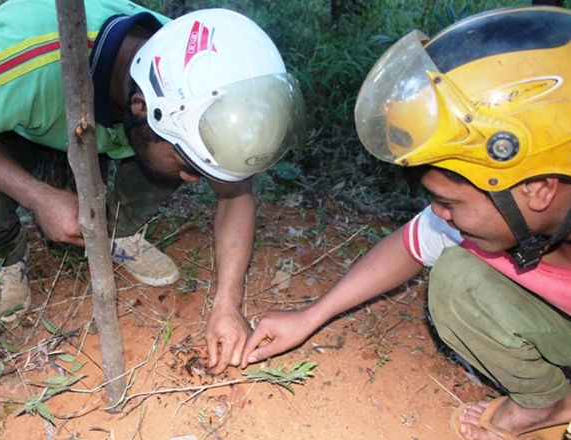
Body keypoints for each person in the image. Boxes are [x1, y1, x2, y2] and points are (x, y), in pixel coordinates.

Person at [0, 0, 305, 375]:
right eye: (191, 166)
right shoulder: (27, 61)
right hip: (13, 125)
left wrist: (227, 304)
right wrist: (39, 197)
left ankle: (122, 228)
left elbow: (235, 193)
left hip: (102, 127)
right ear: (139, 107)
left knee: (162, 160)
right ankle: (7, 254)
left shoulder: (199, 78)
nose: (192, 180)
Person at [242, 5, 571, 439]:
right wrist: (310, 316)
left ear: (538, 187)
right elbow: (409, 246)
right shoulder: (504, 210)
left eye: (448, 201)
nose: (439, 213)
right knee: (458, 277)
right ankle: (546, 400)